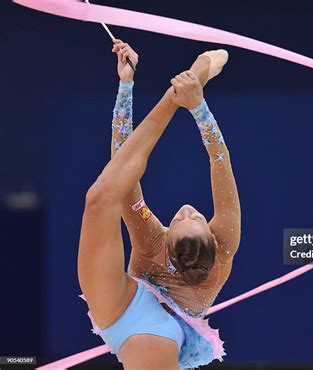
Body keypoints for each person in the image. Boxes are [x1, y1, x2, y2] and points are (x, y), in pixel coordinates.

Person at [77, 39, 241, 369]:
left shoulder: (155, 241)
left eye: (181, 219)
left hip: (146, 327)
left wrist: (132, 89)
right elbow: (219, 161)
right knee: (100, 198)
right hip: (144, 320)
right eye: (194, 216)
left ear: (169, 241)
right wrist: (196, 102)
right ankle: (173, 96)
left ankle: (171, 97)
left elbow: (123, 170)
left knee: (104, 194)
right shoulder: (224, 245)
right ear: (212, 235)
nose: (185, 210)